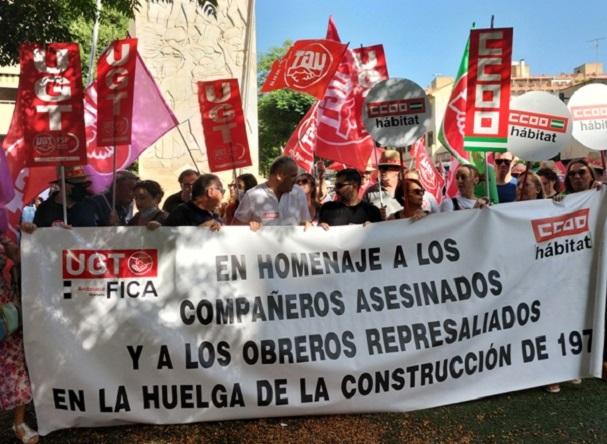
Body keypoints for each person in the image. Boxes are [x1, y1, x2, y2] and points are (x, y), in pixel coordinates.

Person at [0, 234, 39, 443]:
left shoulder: (4, 237)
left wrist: (33, 234)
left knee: (15, 367)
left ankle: (19, 423)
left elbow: (23, 257)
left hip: (7, 316)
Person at [233, 156, 311, 230]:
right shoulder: (252, 195)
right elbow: (234, 227)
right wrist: (249, 226)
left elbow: (305, 222)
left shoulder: (298, 193)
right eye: (293, 176)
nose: (296, 179)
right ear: (279, 176)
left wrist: (308, 225)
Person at [32, 166, 98, 227]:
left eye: (84, 185)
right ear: (61, 183)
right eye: (77, 185)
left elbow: (104, 232)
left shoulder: (92, 205)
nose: (81, 188)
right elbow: (37, 235)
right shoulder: (44, 209)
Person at [364, 150, 403, 219]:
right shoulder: (370, 192)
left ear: (397, 170)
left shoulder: (406, 189)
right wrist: (376, 215)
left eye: (385, 168)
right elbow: (363, 217)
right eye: (380, 168)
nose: (382, 171)